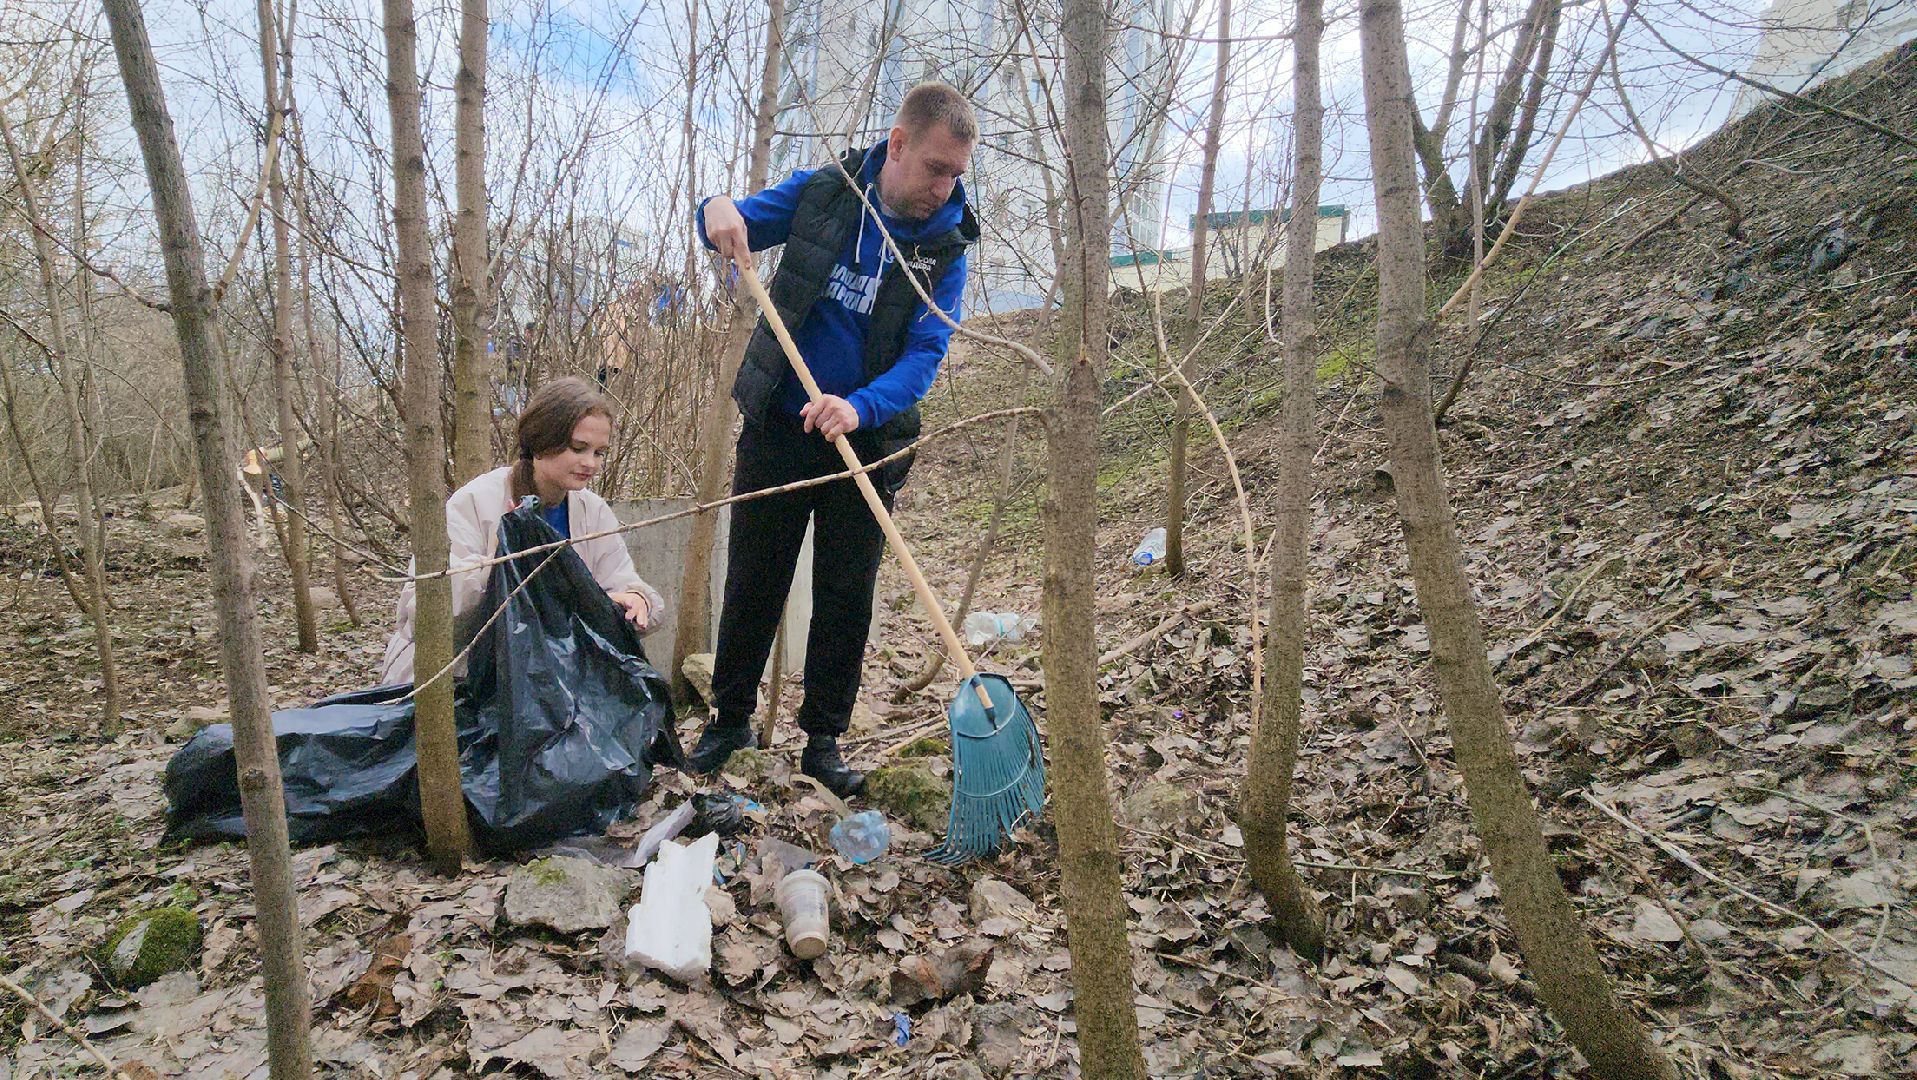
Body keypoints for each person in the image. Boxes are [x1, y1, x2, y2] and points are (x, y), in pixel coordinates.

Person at [685, 81, 979, 797]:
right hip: (780, 425)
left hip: (869, 442)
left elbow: (923, 357)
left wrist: (860, 406)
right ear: (898, 144)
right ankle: (728, 723)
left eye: (956, 176)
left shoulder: (946, 248)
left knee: (846, 592)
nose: (944, 189)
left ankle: (823, 741)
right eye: (935, 169)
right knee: (755, 576)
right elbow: (730, 224)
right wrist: (712, 210)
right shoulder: (825, 192)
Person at [379, 376, 665, 685]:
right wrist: (506, 562)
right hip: (461, 677)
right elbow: (421, 610)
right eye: (578, 448)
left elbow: (620, 580)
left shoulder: (592, 512)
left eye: (599, 453)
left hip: (550, 680)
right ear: (541, 443)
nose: (590, 463)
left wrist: (639, 599)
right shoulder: (477, 501)